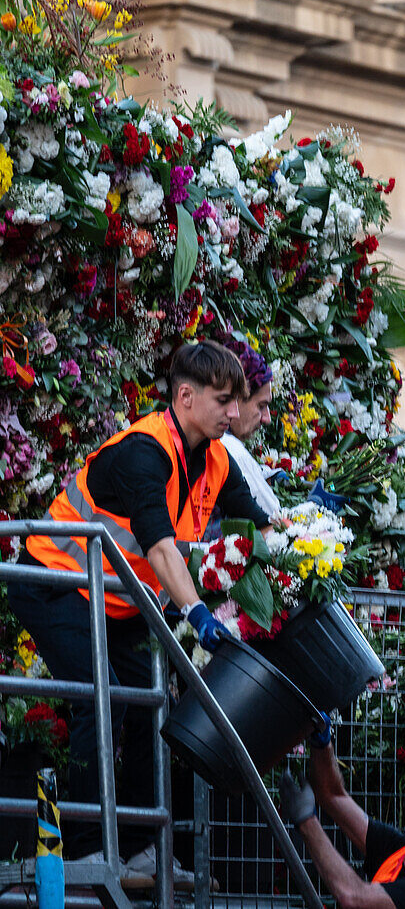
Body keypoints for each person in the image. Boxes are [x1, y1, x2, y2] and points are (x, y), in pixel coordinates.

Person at [8, 340, 273, 879]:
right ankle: (84, 850)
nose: (235, 412)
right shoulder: (143, 451)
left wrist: (303, 554)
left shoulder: (217, 458)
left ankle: (143, 852)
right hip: (55, 584)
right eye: (224, 400)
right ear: (185, 396)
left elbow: (260, 526)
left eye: (237, 401)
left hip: (117, 603)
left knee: (154, 706)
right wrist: (197, 612)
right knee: (100, 697)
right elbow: (158, 546)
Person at [279, 721, 405, 909]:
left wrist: (306, 821)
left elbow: (353, 896)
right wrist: (321, 740)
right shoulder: (400, 852)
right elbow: (332, 795)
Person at [221, 342, 280, 518]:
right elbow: (275, 521)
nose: (267, 419)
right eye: (261, 406)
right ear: (235, 399)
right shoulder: (231, 449)